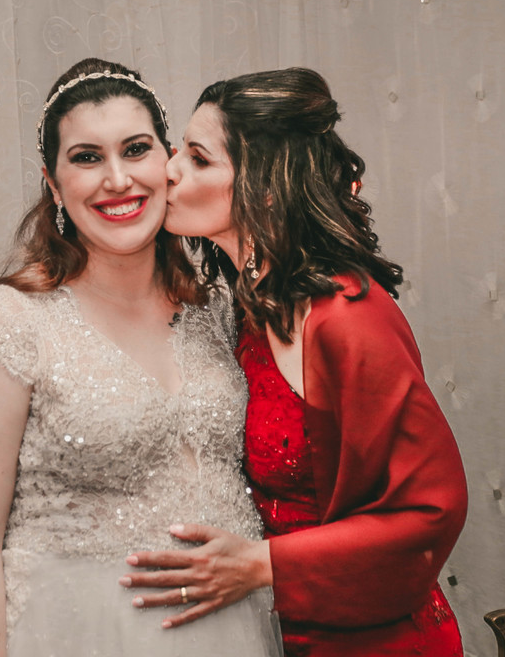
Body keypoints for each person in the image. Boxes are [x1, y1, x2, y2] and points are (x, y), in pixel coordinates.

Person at [0, 58, 281, 657]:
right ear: (53, 182)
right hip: (80, 634)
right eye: (87, 157)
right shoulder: (10, 322)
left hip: (239, 631)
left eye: (136, 149)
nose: (117, 179)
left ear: (169, 160)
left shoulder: (219, 307)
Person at [120, 67, 469, 655]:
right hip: (281, 629)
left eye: (199, 159)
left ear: (264, 188)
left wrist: (261, 564)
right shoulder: (246, 305)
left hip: (375, 639)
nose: (169, 170)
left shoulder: (348, 316)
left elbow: (431, 509)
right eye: (178, 150)